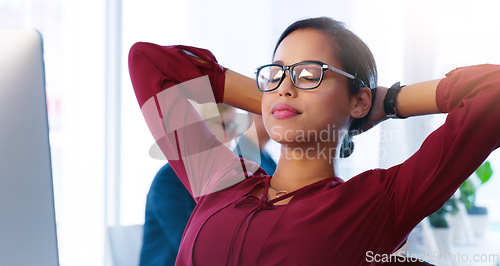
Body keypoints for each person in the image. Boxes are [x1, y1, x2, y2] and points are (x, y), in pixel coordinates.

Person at [128, 17, 500, 265]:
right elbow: (149, 61)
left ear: (359, 100)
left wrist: (386, 102)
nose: (286, 86)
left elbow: (492, 93)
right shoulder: (219, 179)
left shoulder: (376, 203)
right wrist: (271, 96)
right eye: (275, 73)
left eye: (310, 74)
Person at [140, 105, 276, 266]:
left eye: (234, 127)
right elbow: (192, 247)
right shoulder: (169, 179)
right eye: (224, 126)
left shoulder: (221, 175)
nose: (233, 135)